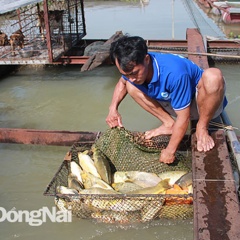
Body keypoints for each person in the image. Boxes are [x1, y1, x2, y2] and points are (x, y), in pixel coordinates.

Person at [106, 35, 227, 164]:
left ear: (146, 59)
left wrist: (170, 151)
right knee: (130, 86)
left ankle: (202, 127)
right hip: (175, 102)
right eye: (126, 74)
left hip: (202, 104)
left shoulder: (174, 73)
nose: (131, 78)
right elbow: (122, 83)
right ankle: (169, 124)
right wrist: (113, 109)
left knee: (213, 76)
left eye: (135, 73)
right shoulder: (133, 66)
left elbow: (183, 118)